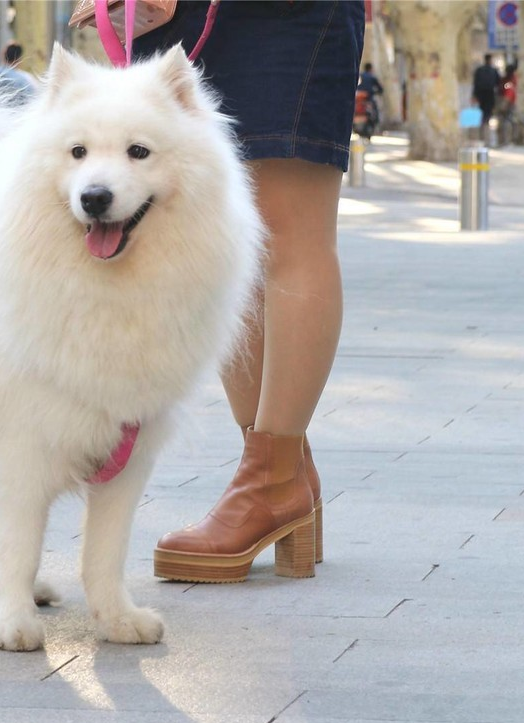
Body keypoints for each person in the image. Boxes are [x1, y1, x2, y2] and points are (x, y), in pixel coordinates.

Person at [135, 1, 365, 582]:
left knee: (287, 232)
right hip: (171, 16)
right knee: (227, 239)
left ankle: (271, 479)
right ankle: (284, 475)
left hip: (283, 15)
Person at [472, 53, 502, 143]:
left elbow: (475, 84)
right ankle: (486, 132)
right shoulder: (493, 71)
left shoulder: (479, 70)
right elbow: (498, 84)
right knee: (488, 113)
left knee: (483, 113)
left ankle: (482, 133)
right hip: (489, 95)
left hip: (481, 95)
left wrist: (475, 95)